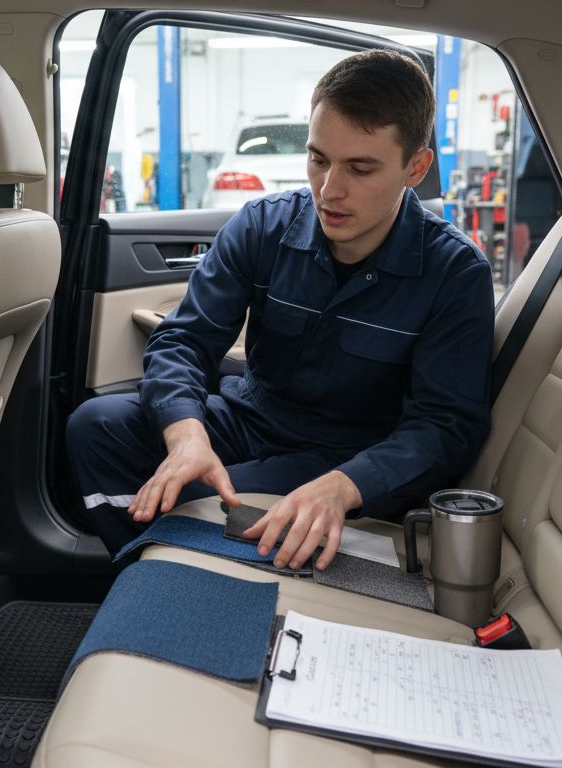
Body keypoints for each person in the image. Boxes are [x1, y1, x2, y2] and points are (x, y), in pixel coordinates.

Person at [67, 49, 493, 570]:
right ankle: (141, 577)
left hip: (343, 456)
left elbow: (444, 426)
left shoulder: (454, 272)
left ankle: (179, 584)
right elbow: (183, 340)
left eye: (361, 168)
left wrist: (346, 485)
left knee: (206, 502)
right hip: (249, 418)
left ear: (416, 167)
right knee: (96, 424)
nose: (329, 190)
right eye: (318, 159)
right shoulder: (262, 226)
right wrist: (187, 437)